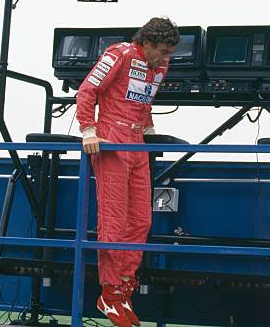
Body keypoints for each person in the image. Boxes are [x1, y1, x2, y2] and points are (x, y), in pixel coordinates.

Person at [76, 17, 180, 327]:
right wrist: (88, 130)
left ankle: (123, 286)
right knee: (114, 218)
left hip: (138, 143)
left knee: (141, 219)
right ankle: (108, 292)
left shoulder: (160, 66)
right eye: (162, 51)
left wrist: (147, 126)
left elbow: (143, 101)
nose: (166, 58)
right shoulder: (119, 53)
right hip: (110, 139)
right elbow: (87, 90)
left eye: (170, 53)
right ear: (146, 43)